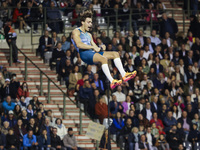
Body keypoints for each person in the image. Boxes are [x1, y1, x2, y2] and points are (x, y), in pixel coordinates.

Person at [71, 10, 137, 89]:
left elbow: (96, 48)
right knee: (103, 59)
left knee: (115, 54)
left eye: (91, 22)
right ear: (82, 22)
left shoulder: (89, 34)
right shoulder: (76, 31)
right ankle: (112, 81)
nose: (90, 24)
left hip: (92, 53)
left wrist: (101, 47)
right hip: (84, 54)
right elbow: (79, 44)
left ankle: (124, 74)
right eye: (88, 22)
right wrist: (93, 47)